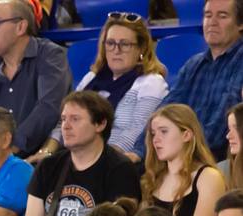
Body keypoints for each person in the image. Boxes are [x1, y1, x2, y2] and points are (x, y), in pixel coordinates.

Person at [34, 15, 168, 162]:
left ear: (141, 48)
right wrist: (47, 151)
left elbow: (138, 130)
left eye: (125, 44)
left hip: (114, 162)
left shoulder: (151, 82)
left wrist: (99, 161)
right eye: (110, 43)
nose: (116, 50)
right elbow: (65, 121)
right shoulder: (91, 78)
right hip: (75, 158)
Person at [133, 0, 243, 161]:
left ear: (240, 24)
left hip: (215, 157)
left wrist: (179, 150)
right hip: (180, 151)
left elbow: (221, 127)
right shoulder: (193, 64)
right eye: (208, 15)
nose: (212, 22)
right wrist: (139, 151)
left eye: (222, 16)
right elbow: (165, 111)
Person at [0, 0, 71, 157]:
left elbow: (48, 108)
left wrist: (11, 149)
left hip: (43, 156)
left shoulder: (50, 56)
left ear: (20, 27)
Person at [141, 105, 228, 216]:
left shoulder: (208, 177)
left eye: (163, 131)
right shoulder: (153, 178)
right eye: (153, 133)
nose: (156, 140)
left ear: (186, 135)